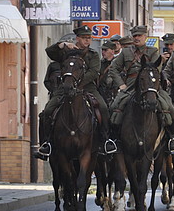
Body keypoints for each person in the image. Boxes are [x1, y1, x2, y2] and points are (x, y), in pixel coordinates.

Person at [35, 25, 116, 159]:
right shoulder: (67, 51)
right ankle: (47, 143)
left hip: (87, 86)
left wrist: (78, 84)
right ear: (77, 38)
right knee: (48, 110)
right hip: (65, 87)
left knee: (103, 108)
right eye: (84, 38)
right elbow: (50, 52)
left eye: (89, 38)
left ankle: (105, 140)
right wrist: (62, 44)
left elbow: (93, 72)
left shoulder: (93, 54)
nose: (87, 41)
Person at [108, 25, 174, 153]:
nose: (137, 38)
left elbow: (156, 70)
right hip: (130, 86)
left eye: (139, 36)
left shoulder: (153, 51)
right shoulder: (126, 52)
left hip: (150, 86)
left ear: (145, 37)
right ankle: (113, 140)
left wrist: (154, 86)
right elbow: (113, 69)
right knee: (114, 107)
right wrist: (121, 84)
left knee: (169, 107)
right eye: (134, 36)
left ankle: (171, 139)